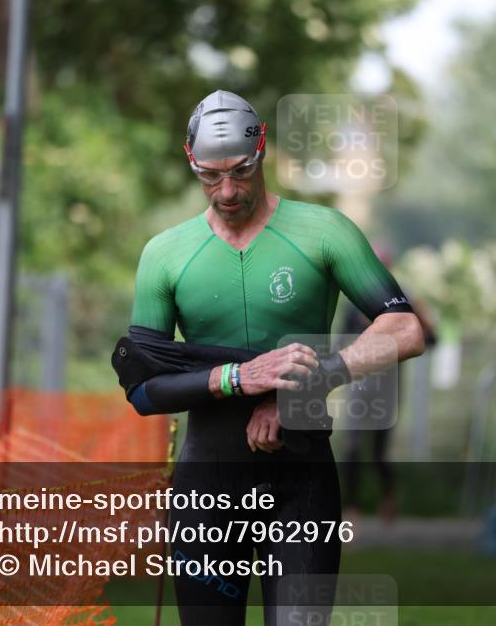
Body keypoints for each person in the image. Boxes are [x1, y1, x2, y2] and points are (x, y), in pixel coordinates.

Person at [122, 90, 425, 625]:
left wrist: (307, 386)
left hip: (300, 477)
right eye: (210, 176)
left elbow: (403, 328)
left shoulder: (323, 232)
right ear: (190, 160)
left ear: (262, 147)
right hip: (208, 485)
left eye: (241, 171)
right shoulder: (165, 254)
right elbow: (145, 388)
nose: (229, 190)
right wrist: (237, 379)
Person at [340, 244, 436, 522]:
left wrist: (424, 318)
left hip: (388, 388)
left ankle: (388, 496)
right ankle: (352, 507)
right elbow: (339, 341)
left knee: (378, 453)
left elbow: (429, 341)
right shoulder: (354, 302)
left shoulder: (403, 304)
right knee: (352, 447)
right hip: (359, 385)